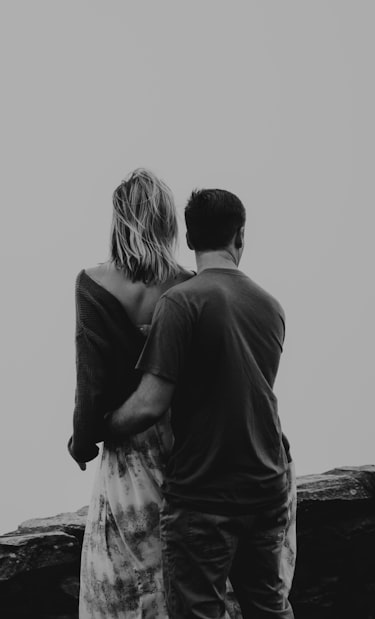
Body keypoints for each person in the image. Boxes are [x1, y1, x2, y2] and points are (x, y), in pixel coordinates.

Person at [106, 189, 294, 619]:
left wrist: (105, 424)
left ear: (189, 239)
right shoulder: (271, 307)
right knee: (269, 605)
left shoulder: (180, 302)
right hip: (268, 485)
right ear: (240, 236)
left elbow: (150, 405)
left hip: (205, 492)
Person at [69, 168, 195, 618]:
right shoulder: (189, 285)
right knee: (181, 572)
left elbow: (91, 381)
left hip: (127, 448)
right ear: (166, 221)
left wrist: (82, 440)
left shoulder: (92, 283)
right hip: (185, 452)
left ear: (119, 219)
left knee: (121, 577)